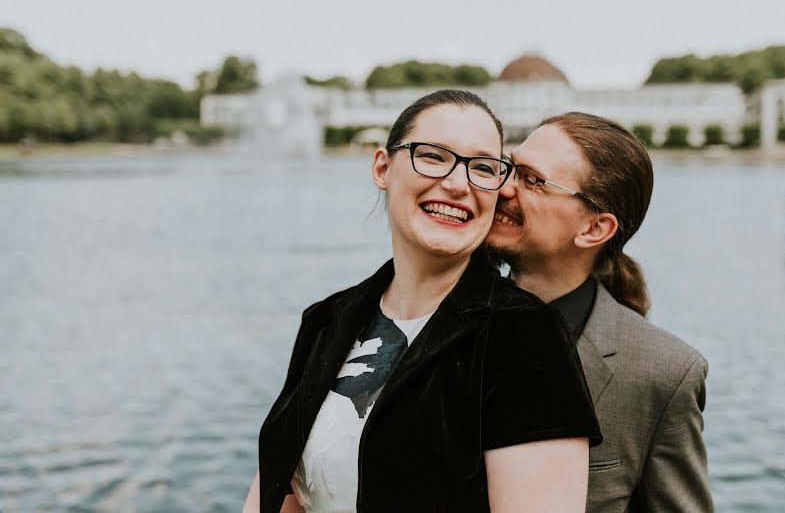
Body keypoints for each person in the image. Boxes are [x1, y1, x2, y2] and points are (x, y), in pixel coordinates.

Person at [244, 91, 601, 513]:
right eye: (432, 156)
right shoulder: (327, 319)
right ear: (382, 167)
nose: (456, 183)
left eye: (483, 167)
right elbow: (278, 492)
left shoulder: (525, 337)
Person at [487, 112, 713, 512]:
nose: (501, 187)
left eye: (531, 179)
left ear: (593, 229)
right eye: (508, 167)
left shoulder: (663, 373)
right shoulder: (436, 319)